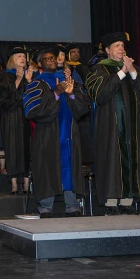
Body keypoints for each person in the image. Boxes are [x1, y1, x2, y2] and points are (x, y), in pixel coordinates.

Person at [85, 32, 140, 215]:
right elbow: (100, 95)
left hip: (133, 127)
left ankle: (127, 201)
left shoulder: (135, 69)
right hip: (110, 126)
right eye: (117, 46)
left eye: (122, 46)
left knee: (132, 159)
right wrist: (121, 73)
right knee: (111, 160)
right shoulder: (99, 70)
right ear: (108, 50)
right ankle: (111, 203)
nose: (121, 48)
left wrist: (132, 71)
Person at [23, 48, 91, 217]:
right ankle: (46, 207)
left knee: (70, 166)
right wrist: (57, 93)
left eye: (53, 57)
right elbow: (32, 111)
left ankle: (72, 205)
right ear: (39, 64)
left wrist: (72, 94)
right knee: (47, 167)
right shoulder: (36, 84)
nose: (51, 60)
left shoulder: (68, 80)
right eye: (46, 58)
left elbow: (83, 108)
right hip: (47, 134)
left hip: (69, 133)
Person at [0, 46, 37, 194]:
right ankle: (13, 183)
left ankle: (26, 183)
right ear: (12, 59)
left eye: (24, 56)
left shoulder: (30, 75)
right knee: (12, 148)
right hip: (11, 116)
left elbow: (34, 97)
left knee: (27, 148)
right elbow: (3, 100)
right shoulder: (5, 77)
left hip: (26, 117)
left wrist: (29, 81)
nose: (23, 58)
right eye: (19, 56)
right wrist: (18, 81)